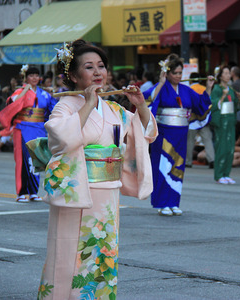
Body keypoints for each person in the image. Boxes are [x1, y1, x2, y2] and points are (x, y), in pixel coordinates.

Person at [35, 40, 157, 300]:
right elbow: (61, 140)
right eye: (89, 67)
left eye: (101, 66)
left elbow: (142, 132)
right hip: (77, 191)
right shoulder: (66, 105)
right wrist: (88, 104)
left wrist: (141, 104)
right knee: (69, 252)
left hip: (107, 192)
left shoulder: (113, 108)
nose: (98, 72)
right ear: (74, 75)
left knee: (102, 252)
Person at [143, 53, 214, 216]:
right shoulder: (161, 87)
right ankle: (162, 203)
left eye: (180, 73)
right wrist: (161, 83)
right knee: (163, 166)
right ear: (167, 73)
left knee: (178, 166)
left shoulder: (186, 90)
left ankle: (173, 202)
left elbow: (201, 105)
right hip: (164, 134)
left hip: (181, 133)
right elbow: (147, 99)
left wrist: (208, 87)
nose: (178, 76)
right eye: (175, 73)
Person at [0, 66, 58, 203]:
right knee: (22, 160)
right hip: (23, 127)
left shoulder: (44, 93)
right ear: (26, 77)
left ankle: (33, 192)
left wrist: (54, 95)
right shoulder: (20, 91)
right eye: (31, 75)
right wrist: (24, 89)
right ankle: (21, 192)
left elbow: (53, 108)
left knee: (36, 160)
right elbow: (12, 102)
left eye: (37, 75)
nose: (35, 78)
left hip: (38, 129)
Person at [210, 65, 240, 184]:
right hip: (221, 119)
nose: (228, 75)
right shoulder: (217, 89)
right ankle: (219, 174)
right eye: (226, 73)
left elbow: (234, 105)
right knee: (221, 147)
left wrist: (239, 99)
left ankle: (226, 173)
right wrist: (222, 96)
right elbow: (213, 104)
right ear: (220, 76)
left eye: (229, 73)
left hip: (230, 119)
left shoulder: (231, 89)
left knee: (230, 148)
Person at [186, 72, 215, 168]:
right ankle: (212, 160)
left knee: (190, 141)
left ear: (190, 80)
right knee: (207, 140)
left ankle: (188, 161)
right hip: (203, 119)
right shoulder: (204, 89)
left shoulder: (189, 90)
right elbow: (209, 103)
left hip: (192, 119)